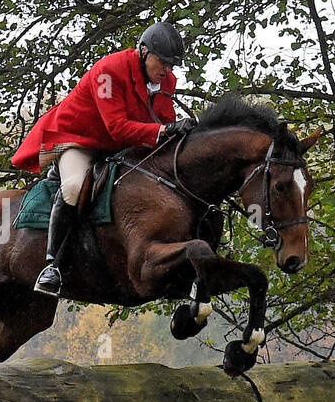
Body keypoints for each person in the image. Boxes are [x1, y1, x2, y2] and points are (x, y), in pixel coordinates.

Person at [11, 21, 196, 296]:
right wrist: (164, 130)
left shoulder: (166, 81)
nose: (167, 70)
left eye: (172, 65)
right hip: (79, 138)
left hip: (118, 144)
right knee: (74, 187)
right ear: (144, 52)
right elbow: (117, 127)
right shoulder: (109, 71)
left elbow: (163, 121)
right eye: (163, 62)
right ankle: (52, 267)